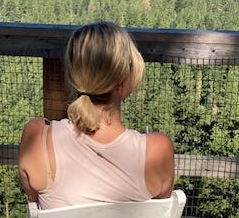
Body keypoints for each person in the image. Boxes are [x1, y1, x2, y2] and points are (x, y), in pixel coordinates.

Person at [18, 21, 174, 209]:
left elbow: (35, 203)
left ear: (72, 76)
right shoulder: (158, 151)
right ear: (124, 84)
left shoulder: (37, 137)